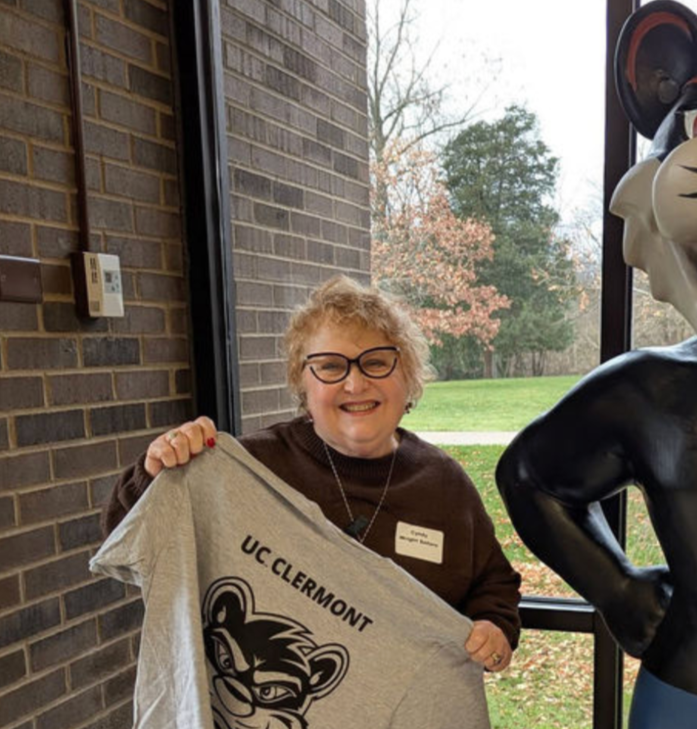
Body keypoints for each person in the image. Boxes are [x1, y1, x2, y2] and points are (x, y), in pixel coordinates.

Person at [102, 275, 520, 672]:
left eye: (376, 362)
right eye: (331, 366)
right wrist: (156, 470)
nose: (355, 384)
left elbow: (494, 583)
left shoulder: (443, 484)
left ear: (407, 376)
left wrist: (494, 630)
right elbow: (130, 535)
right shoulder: (250, 470)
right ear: (303, 384)